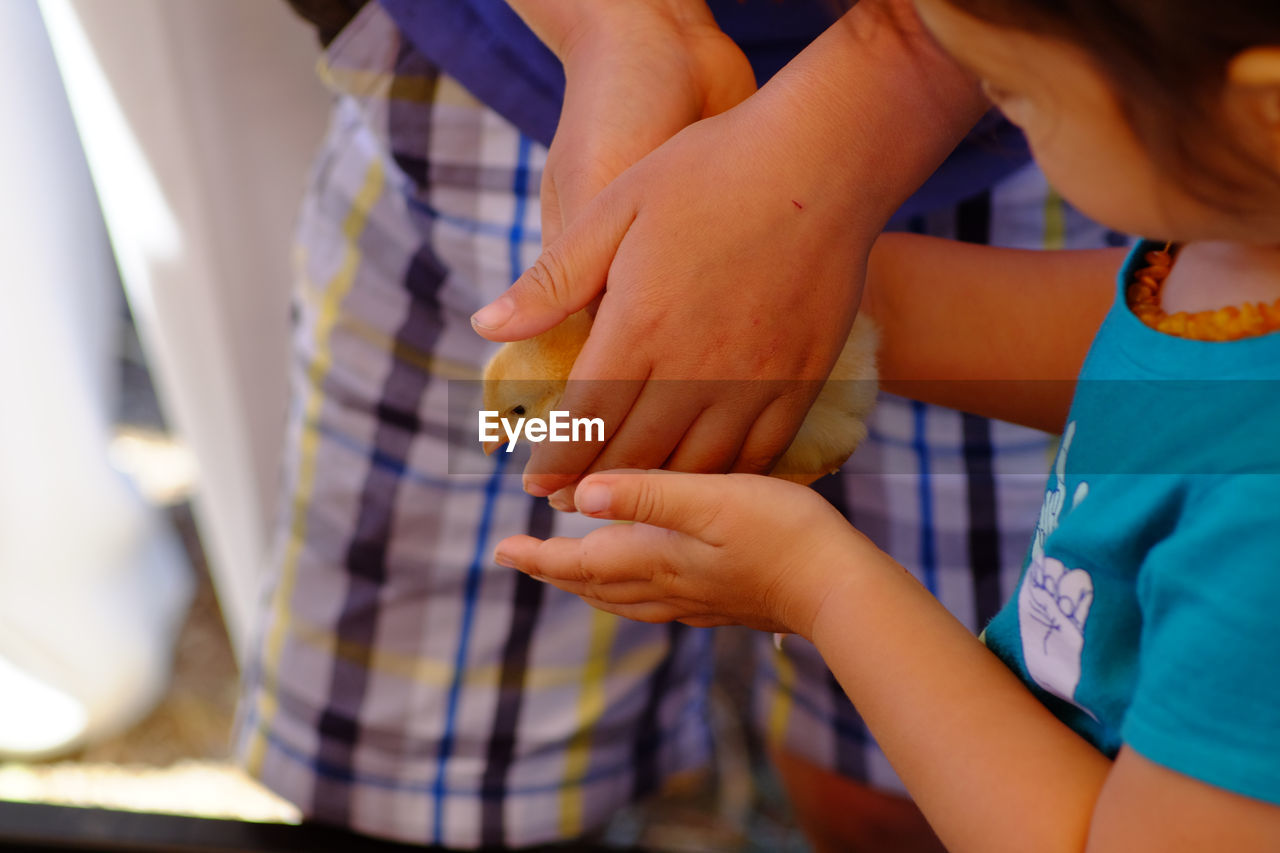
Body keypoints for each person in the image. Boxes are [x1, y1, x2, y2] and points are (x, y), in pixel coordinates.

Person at [238, 1, 1114, 848]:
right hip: (519, 83)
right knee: (428, 778)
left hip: (999, 98)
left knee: (898, 792)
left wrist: (864, 118)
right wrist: (619, 27)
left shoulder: (1144, 223)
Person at [495, 0, 1280, 848]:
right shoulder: (1235, 251)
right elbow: (1137, 358)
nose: (988, 100)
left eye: (1014, 84)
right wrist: (766, 279)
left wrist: (818, 582)